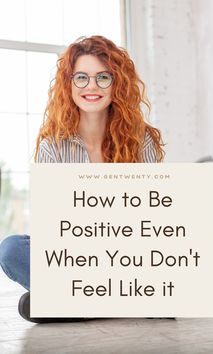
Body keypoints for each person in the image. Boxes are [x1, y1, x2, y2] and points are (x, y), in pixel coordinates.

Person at [0, 35, 165, 323]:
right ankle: (113, 303)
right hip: (75, 256)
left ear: (118, 84)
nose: (92, 86)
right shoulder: (54, 145)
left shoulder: (142, 140)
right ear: (69, 84)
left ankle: (70, 303)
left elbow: (154, 219)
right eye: (81, 78)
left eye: (103, 77)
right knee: (12, 249)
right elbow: (53, 226)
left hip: (127, 254)